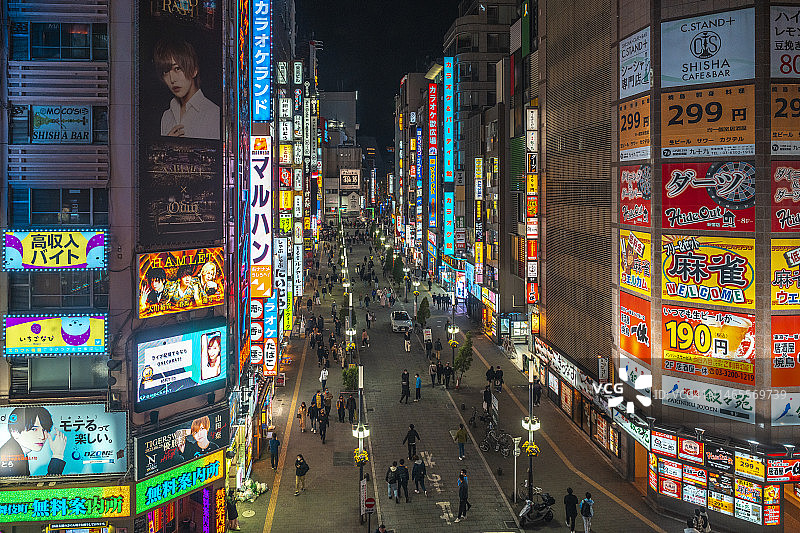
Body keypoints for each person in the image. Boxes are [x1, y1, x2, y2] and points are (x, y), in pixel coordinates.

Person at [154, 39, 220, 140]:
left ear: (194, 70)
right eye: (166, 72)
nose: (172, 79)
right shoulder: (167, 116)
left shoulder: (214, 113)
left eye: (177, 69)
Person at [0, 406, 66, 476]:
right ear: (14, 431)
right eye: (34, 429)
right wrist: (57, 455)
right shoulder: (9, 459)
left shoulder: (18, 453)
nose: (42, 436)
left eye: (44, 430)